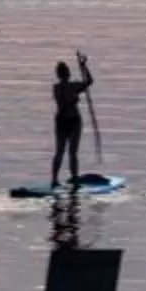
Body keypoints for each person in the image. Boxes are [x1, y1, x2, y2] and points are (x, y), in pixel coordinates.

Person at [48, 53, 95, 190]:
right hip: (68, 122)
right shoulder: (67, 87)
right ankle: (64, 179)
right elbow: (89, 82)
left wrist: (83, 66)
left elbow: (88, 82)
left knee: (65, 152)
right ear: (67, 74)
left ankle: (63, 179)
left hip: (67, 122)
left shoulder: (61, 87)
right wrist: (84, 67)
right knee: (67, 152)